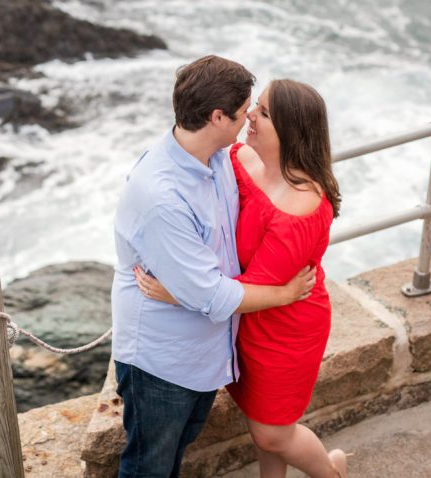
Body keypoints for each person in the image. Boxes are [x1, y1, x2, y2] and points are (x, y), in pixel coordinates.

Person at [111, 57, 317, 478]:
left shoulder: (219, 156)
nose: (249, 120)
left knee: (175, 453)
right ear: (218, 116)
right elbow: (210, 295)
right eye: (245, 113)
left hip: (203, 352)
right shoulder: (162, 196)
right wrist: (285, 294)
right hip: (162, 360)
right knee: (149, 467)